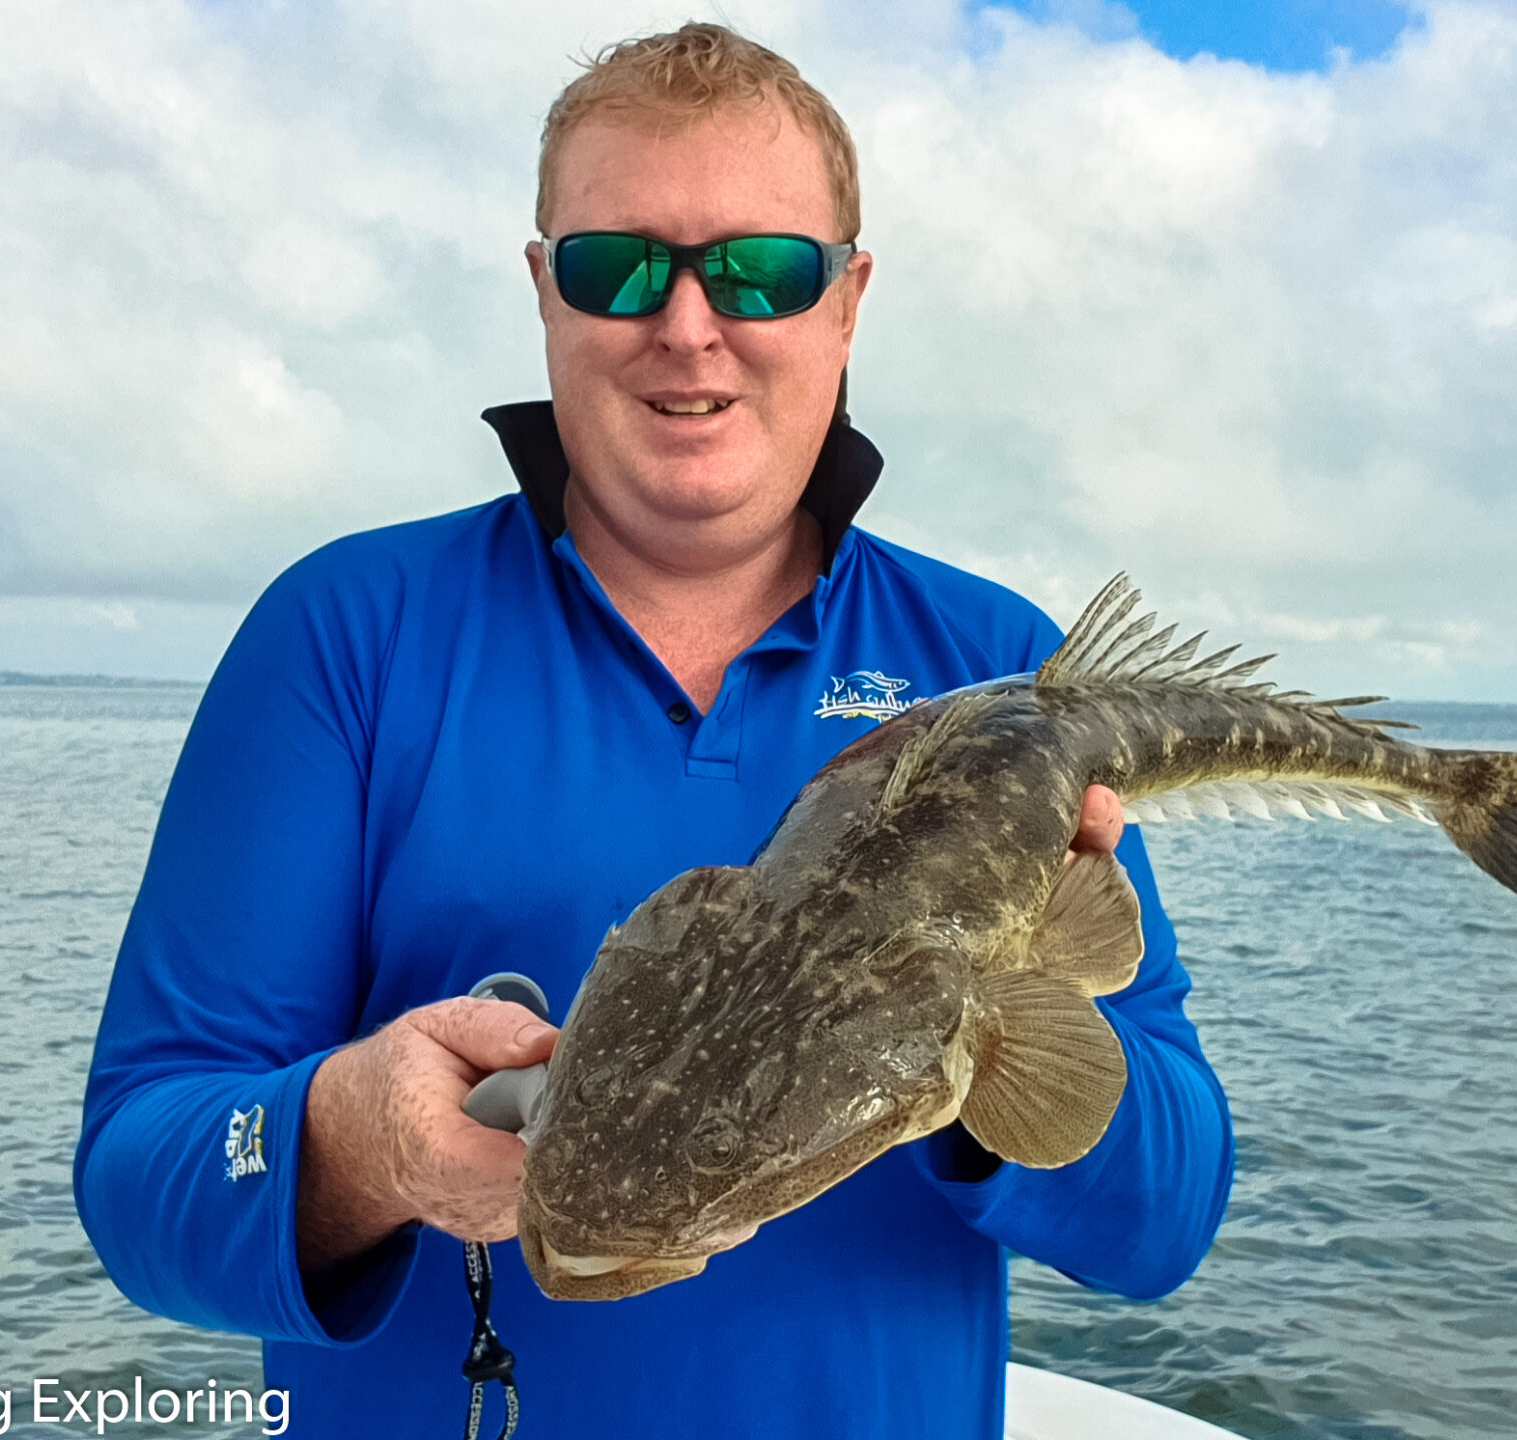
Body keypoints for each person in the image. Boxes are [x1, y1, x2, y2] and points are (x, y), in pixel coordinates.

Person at [75, 22, 1233, 1439]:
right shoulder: (346, 635)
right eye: (618, 267)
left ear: (848, 300)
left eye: (763, 270)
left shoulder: (999, 675)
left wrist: (982, 1056)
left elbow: (1168, 1218)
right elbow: (139, 1176)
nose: (689, 324)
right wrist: (354, 1141)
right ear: (543, 291)